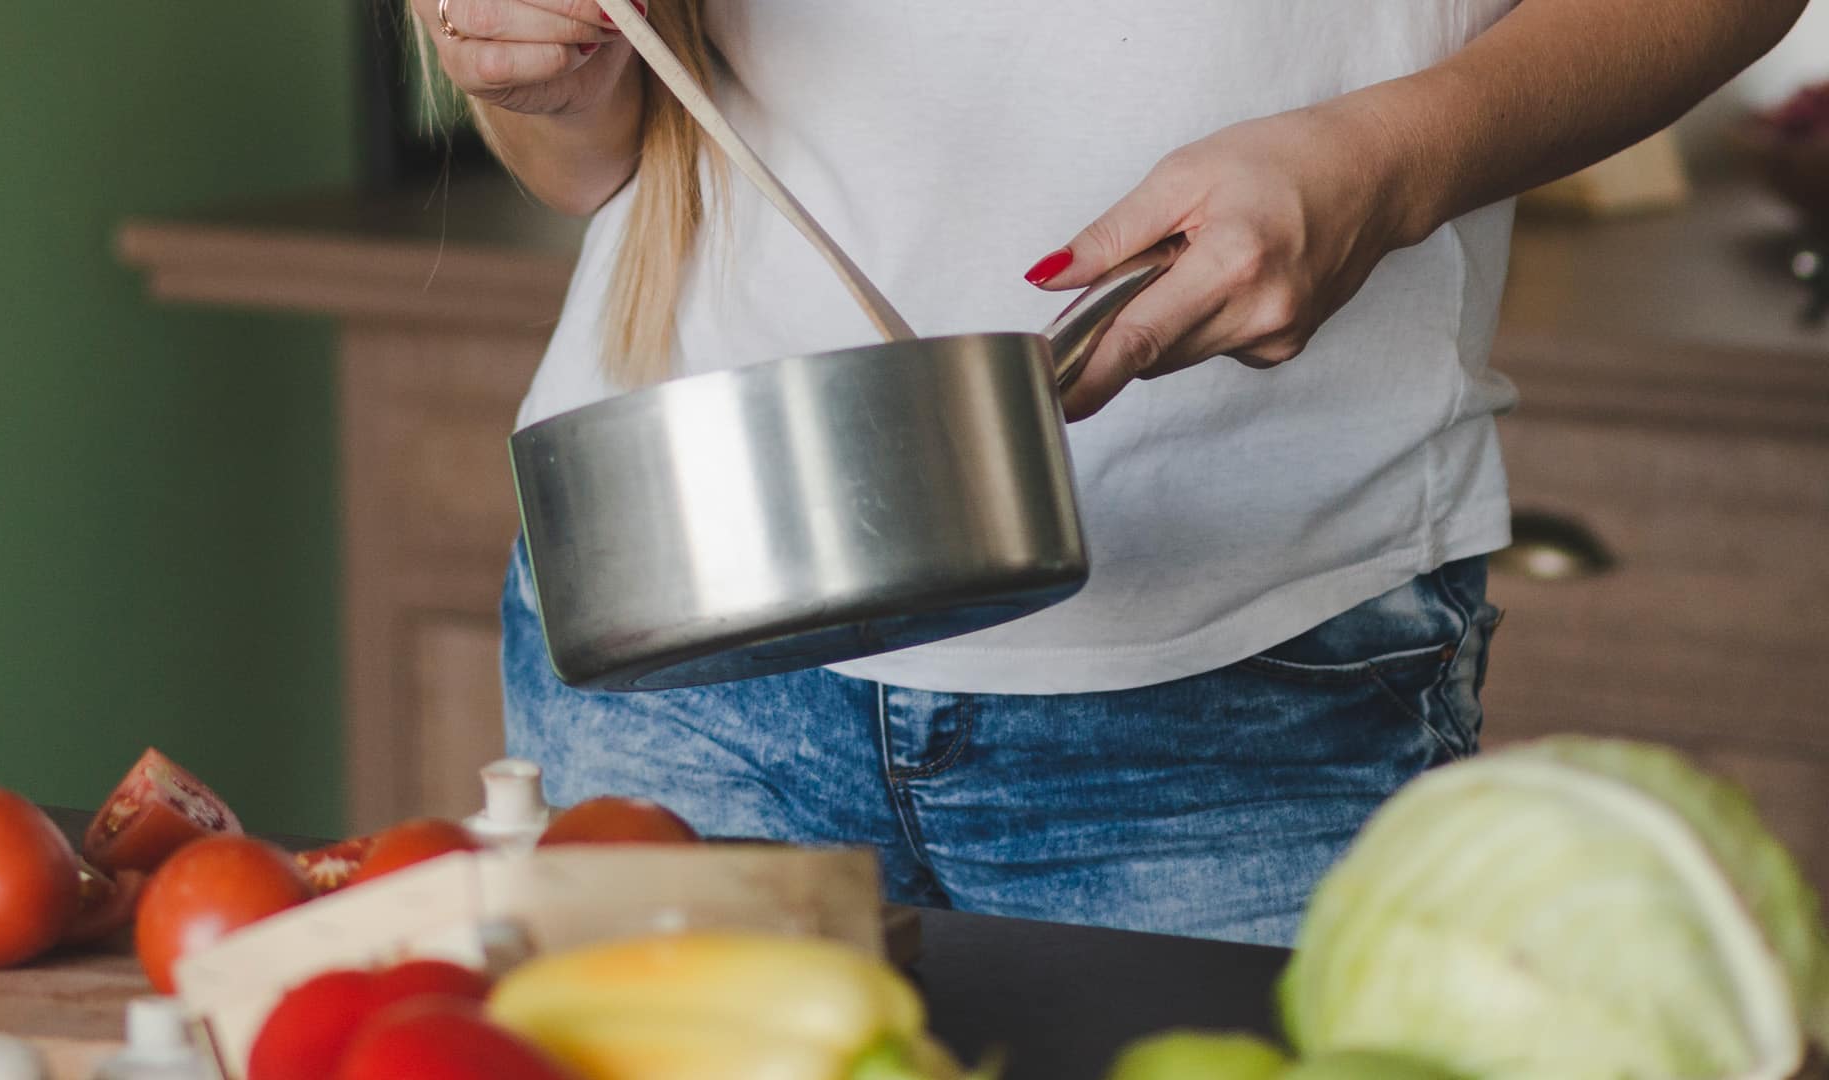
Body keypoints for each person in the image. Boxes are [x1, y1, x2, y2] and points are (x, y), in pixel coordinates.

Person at [421, 0, 1806, 945]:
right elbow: (585, 157)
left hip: (1250, 680)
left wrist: (1388, 163)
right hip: (688, 641)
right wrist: (549, 64)